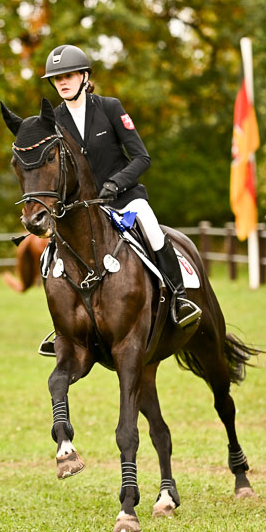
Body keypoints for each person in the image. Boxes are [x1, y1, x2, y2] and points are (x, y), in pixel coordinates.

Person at [40, 43, 202, 333]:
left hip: (124, 199)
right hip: (82, 209)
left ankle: (179, 299)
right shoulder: (55, 121)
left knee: (152, 229)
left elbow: (142, 157)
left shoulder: (110, 108)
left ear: (85, 77)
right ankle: (62, 323)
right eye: (57, 78)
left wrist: (116, 183)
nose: (62, 82)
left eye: (69, 75)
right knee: (51, 255)